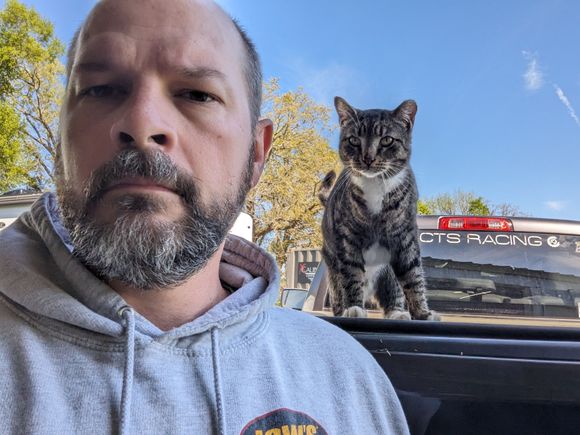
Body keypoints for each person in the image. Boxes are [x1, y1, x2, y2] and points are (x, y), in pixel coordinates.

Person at [0, 0, 410, 433]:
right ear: (61, 134)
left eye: (197, 94)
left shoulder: (346, 379)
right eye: (99, 88)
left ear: (256, 153)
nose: (142, 122)